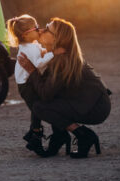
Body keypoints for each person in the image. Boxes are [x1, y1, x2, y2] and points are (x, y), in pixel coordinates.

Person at [18, 17, 111, 158]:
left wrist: (32, 71)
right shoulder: (56, 57)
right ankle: (60, 136)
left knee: (41, 106)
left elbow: (45, 94)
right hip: (85, 102)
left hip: (96, 107)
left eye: (47, 29)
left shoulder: (62, 61)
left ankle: (83, 135)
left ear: (57, 39)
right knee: (46, 101)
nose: (41, 30)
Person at [6, 14, 65, 155]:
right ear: (26, 35)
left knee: (37, 110)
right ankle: (36, 137)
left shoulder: (30, 45)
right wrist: (54, 53)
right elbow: (38, 63)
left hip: (26, 83)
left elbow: (39, 54)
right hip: (27, 86)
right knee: (38, 109)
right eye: (36, 28)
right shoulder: (29, 48)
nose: (39, 30)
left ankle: (36, 135)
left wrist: (46, 51)